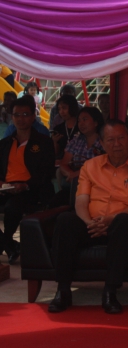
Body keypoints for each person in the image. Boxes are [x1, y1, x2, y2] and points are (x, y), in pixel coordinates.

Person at [48, 119, 128, 314]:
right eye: (111, 140)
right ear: (102, 143)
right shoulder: (90, 166)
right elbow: (81, 201)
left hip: (120, 226)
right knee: (65, 220)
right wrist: (89, 223)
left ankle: (110, 292)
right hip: (91, 224)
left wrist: (110, 219)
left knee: (124, 221)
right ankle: (63, 290)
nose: (117, 144)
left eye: (121, 138)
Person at [0, 96, 55, 264]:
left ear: (33, 116)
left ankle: (6, 243)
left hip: (32, 189)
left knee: (12, 207)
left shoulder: (43, 142)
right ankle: (10, 245)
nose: (20, 118)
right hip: (5, 187)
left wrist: (25, 185)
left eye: (25, 114)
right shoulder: (5, 143)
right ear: (11, 117)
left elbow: (46, 171)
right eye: (16, 115)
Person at [58, 107, 105, 185]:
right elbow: (63, 164)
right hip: (76, 181)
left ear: (96, 122)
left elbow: (103, 167)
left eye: (85, 119)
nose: (81, 124)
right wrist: (70, 174)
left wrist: (78, 174)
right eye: (79, 121)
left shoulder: (104, 142)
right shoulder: (76, 141)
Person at [50, 95, 80, 160]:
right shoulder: (58, 129)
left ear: (72, 107)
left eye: (64, 108)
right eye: (59, 109)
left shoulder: (82, 127)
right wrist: (54, 142)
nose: (61, 111)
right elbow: (55, 154)